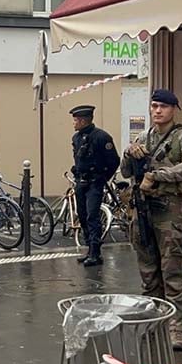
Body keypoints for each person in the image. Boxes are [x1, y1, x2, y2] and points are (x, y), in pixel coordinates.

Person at [120, 89, 182, 350]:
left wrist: (157, 175)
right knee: (148, 273)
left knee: (172, 273)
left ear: (174, 109)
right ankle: (154, 321)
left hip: (169, 211)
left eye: (163, 106)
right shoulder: (144, 137)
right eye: (154, 105)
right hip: (144, 210)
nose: (157, 111)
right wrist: (129, 153)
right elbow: (124, 171)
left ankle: (177, 329)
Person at [69, 105, 120, 267]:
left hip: (94, 183)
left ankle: (96, 253)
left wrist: (102, 178)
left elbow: (114, 161)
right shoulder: (76, 138)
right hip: (81, 182)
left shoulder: (101, 137)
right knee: (82, 215)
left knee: (93, 216)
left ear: (84, 120)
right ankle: (89, 249)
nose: (74, 123)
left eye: (76, 120)